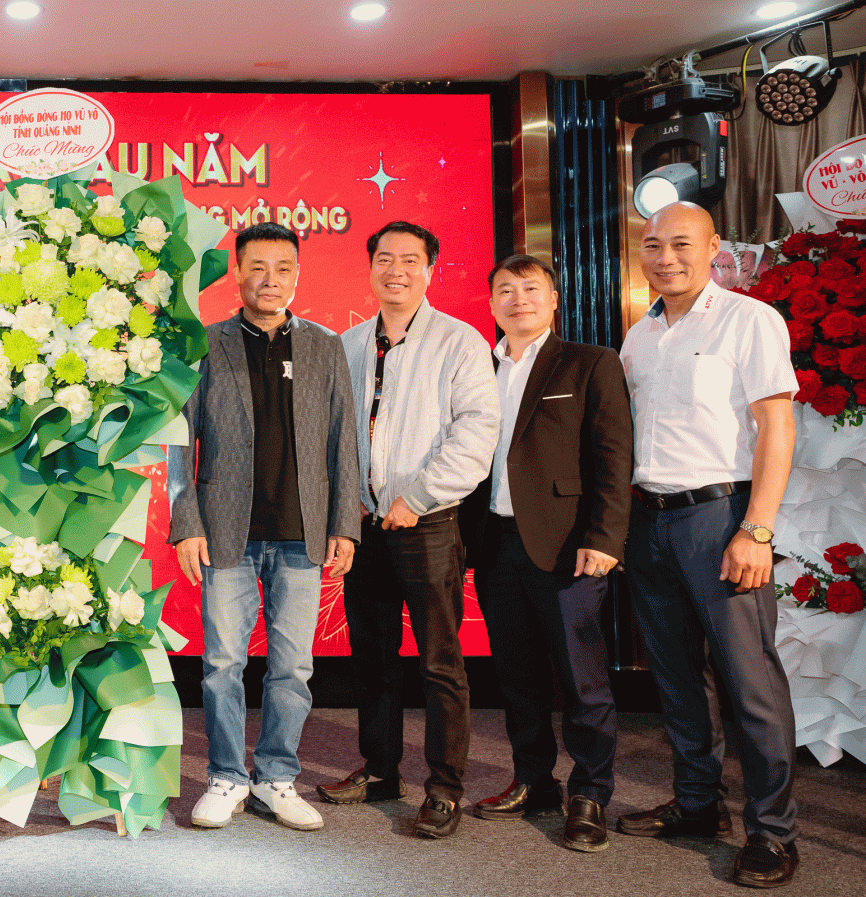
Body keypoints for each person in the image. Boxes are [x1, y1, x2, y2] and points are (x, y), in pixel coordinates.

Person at [617, 201, 800, 889]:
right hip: (651, 519)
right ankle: (697, 803)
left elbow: (776, 426)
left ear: (714, 246)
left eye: (681, 244)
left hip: (721, 517)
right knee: (675, 677)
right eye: (653, 245)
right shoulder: (639, 336)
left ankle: (773, 832)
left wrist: (757, 528)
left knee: (749, 682)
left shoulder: (749, 319)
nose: (665, 257)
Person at [168, 221, 361, 832]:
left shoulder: (325, 347)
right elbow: (180, 442)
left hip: (303, 533)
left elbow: (343, 442)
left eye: (282, 268)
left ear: (297, 275)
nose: (270, 280)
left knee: (293, 667)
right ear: (238, 273)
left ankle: (276, 778)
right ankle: (225, 776)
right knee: (222, 664)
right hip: (226, 532)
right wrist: (186, 522)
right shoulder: (206, 344)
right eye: (257, 267)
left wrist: (345, 524)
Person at [318, 221, 498, 839]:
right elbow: (333, 435)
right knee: (372, 659)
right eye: (384, 259)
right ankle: (380, 770)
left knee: (440, 663)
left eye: (410, 260)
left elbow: (476, 433)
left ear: (430, 269)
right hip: (364, 528)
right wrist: (343, 506)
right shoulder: (348, 345)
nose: (395, 270)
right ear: (370, 268)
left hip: (429, 525)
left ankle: (444, 787)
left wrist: (416, 497)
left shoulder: (460, 342)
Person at [460, 254, 632, 852]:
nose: (518, 300)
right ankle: (533, 780)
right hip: (495, 544)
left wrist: (605, 538)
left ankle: (591, 793)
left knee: (583, 679)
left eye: (531, 289)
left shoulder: (589, 362)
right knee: (517, 676)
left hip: (568, 546)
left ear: (554, 299)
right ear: (490, 303)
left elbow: (614, 456)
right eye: (505, 290)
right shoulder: (476, 368)